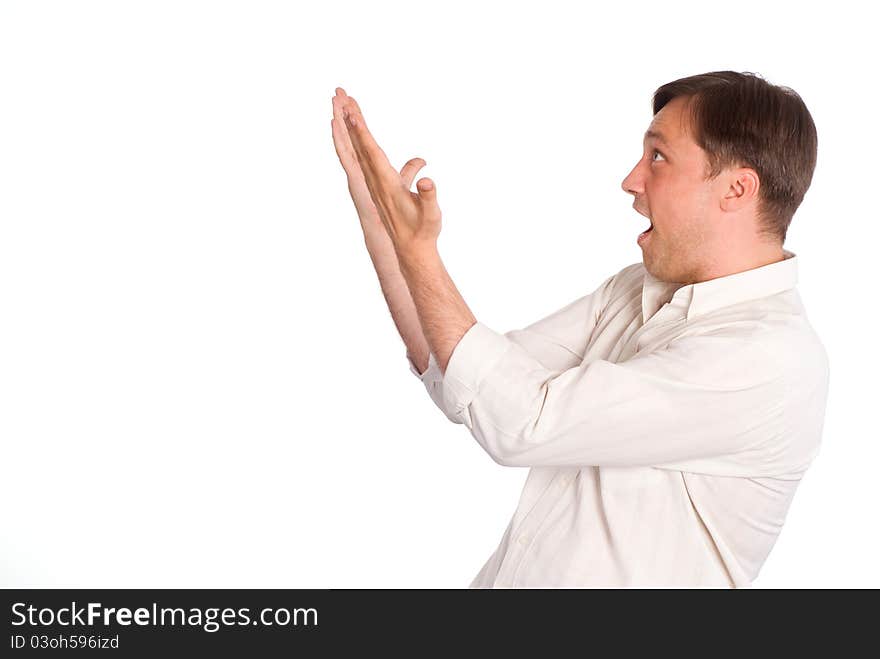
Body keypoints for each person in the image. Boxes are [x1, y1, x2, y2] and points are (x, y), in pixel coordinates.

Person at [329, 70, 829, 588]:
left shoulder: (767, 359)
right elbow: (467, 382)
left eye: (658, 157)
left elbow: (521, 422)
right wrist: (381, 223)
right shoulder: (635, 289)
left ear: (736, 189)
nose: (632, 180)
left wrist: (420, 253)